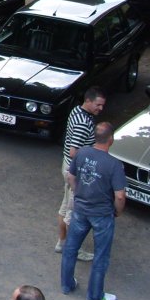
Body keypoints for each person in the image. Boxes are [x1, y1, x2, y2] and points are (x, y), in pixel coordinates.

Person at [61, 122, 126, 300]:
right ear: (111, 139)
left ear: (95, 137)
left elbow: (71, 177)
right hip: (102, 214)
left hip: (80, 209)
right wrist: (117, 211)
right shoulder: (114, 165)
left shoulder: (81, 153)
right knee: (101, 256)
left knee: (70, 249)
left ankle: (66, 285)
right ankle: (95, 295)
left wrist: (79, 194)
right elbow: (120, 196)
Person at [56, 87, 106, 260]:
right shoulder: (83, 123)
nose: (100, 108)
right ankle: (73, 250)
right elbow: (73, 151)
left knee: (65, 207)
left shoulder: (77, 111)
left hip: (68, 167)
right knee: (73, 212)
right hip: (75, 171)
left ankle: (62, 243)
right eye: (98, 105)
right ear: (88, 101)